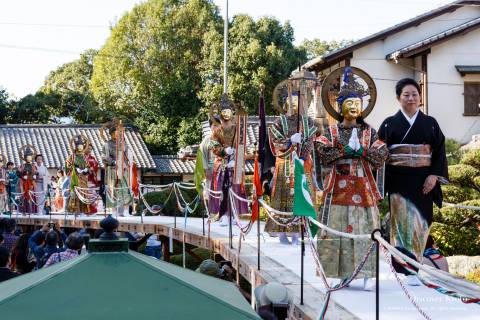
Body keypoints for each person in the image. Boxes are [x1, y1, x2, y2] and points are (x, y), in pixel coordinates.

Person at [316, 67, 388, 290]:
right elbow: (322, 152)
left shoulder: (370, 132)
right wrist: (345, 151)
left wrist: (363, 153)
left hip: (363, 187)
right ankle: (338, 273)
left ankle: (366, 273)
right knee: (335, 226)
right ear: (340, 106)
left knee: (365, 228)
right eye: (349, 102)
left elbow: (382, 153)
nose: (354, 107)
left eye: (357, 103)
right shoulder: (331, 132)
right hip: (338, 187)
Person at [378, 78, 448, 285]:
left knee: (421, 222)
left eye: (415, 94)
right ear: (398, 98)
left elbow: (440, 152)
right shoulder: (389, 123)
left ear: (420, 98)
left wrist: (434, 176)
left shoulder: (431, 123)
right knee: (400, 225)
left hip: (423, 181)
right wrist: (382, 182)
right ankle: (402, 270)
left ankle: (416, 267)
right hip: (398, 181)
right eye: (406, 95)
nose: (411, 98)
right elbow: (379, 154)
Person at [265, 94, 317, 245]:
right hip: (285, 164)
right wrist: (289, 141)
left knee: (302, 196)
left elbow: (310, 140)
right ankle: (282, 234)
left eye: (298, 103)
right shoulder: (279, 122)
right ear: (286, 104)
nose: (296, 106)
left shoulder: (307, 122)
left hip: (302, 164)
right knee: (284, 198)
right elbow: (275, 142)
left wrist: (303, 155)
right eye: (292, 102)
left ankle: (297, 234)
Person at [208, 97, 248, 226]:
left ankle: (235, 214)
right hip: (221, 163)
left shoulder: (238, 129)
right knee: (222, 188)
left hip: (235, 164)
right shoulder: (216, 131)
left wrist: (237, 160)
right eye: (223, 111)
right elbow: (214, 147)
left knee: (236, 189)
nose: (226, 114)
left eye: (229, 111)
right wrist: (225, 152)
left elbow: (242, 145)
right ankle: (223, 214)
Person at [101, 120, 133, 216]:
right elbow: (105, 157)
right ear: (111, 134)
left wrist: (126, 163)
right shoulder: (107, 145)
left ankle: (126, 210)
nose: (118, 134)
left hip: (122, 169)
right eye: (116, 132)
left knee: (125, 189)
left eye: (119, 132)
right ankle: (114, 211)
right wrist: (114, 162)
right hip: (113, 169)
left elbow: (127, 155)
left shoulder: (124, 143)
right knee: (113, 189)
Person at [66, 135, 96, 215]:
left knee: (84, 193)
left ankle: (83, 210)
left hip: (83, 178)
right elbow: (67, 167)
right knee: (75, 194)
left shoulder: (84, 157)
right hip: (75, 177)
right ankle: (75, 210)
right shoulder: (71, 157)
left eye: (81, 146)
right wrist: (75, 168)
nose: (80, 147)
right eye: (78, 146)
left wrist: (86, 170)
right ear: (75, 146)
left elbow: (89, 167)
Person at [17, 145, 38, 215]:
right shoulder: (22, 166)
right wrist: (23, 176)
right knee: (24, 196)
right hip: (24, 183)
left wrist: (34, 176)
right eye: (28, 156)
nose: (29, 158)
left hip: (31, 183)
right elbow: (18, 173)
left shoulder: (33, 166)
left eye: (30, 156)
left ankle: (31, 211)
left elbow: (36, 174)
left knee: (31, 196)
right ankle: (24, 211)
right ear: (25, 157)